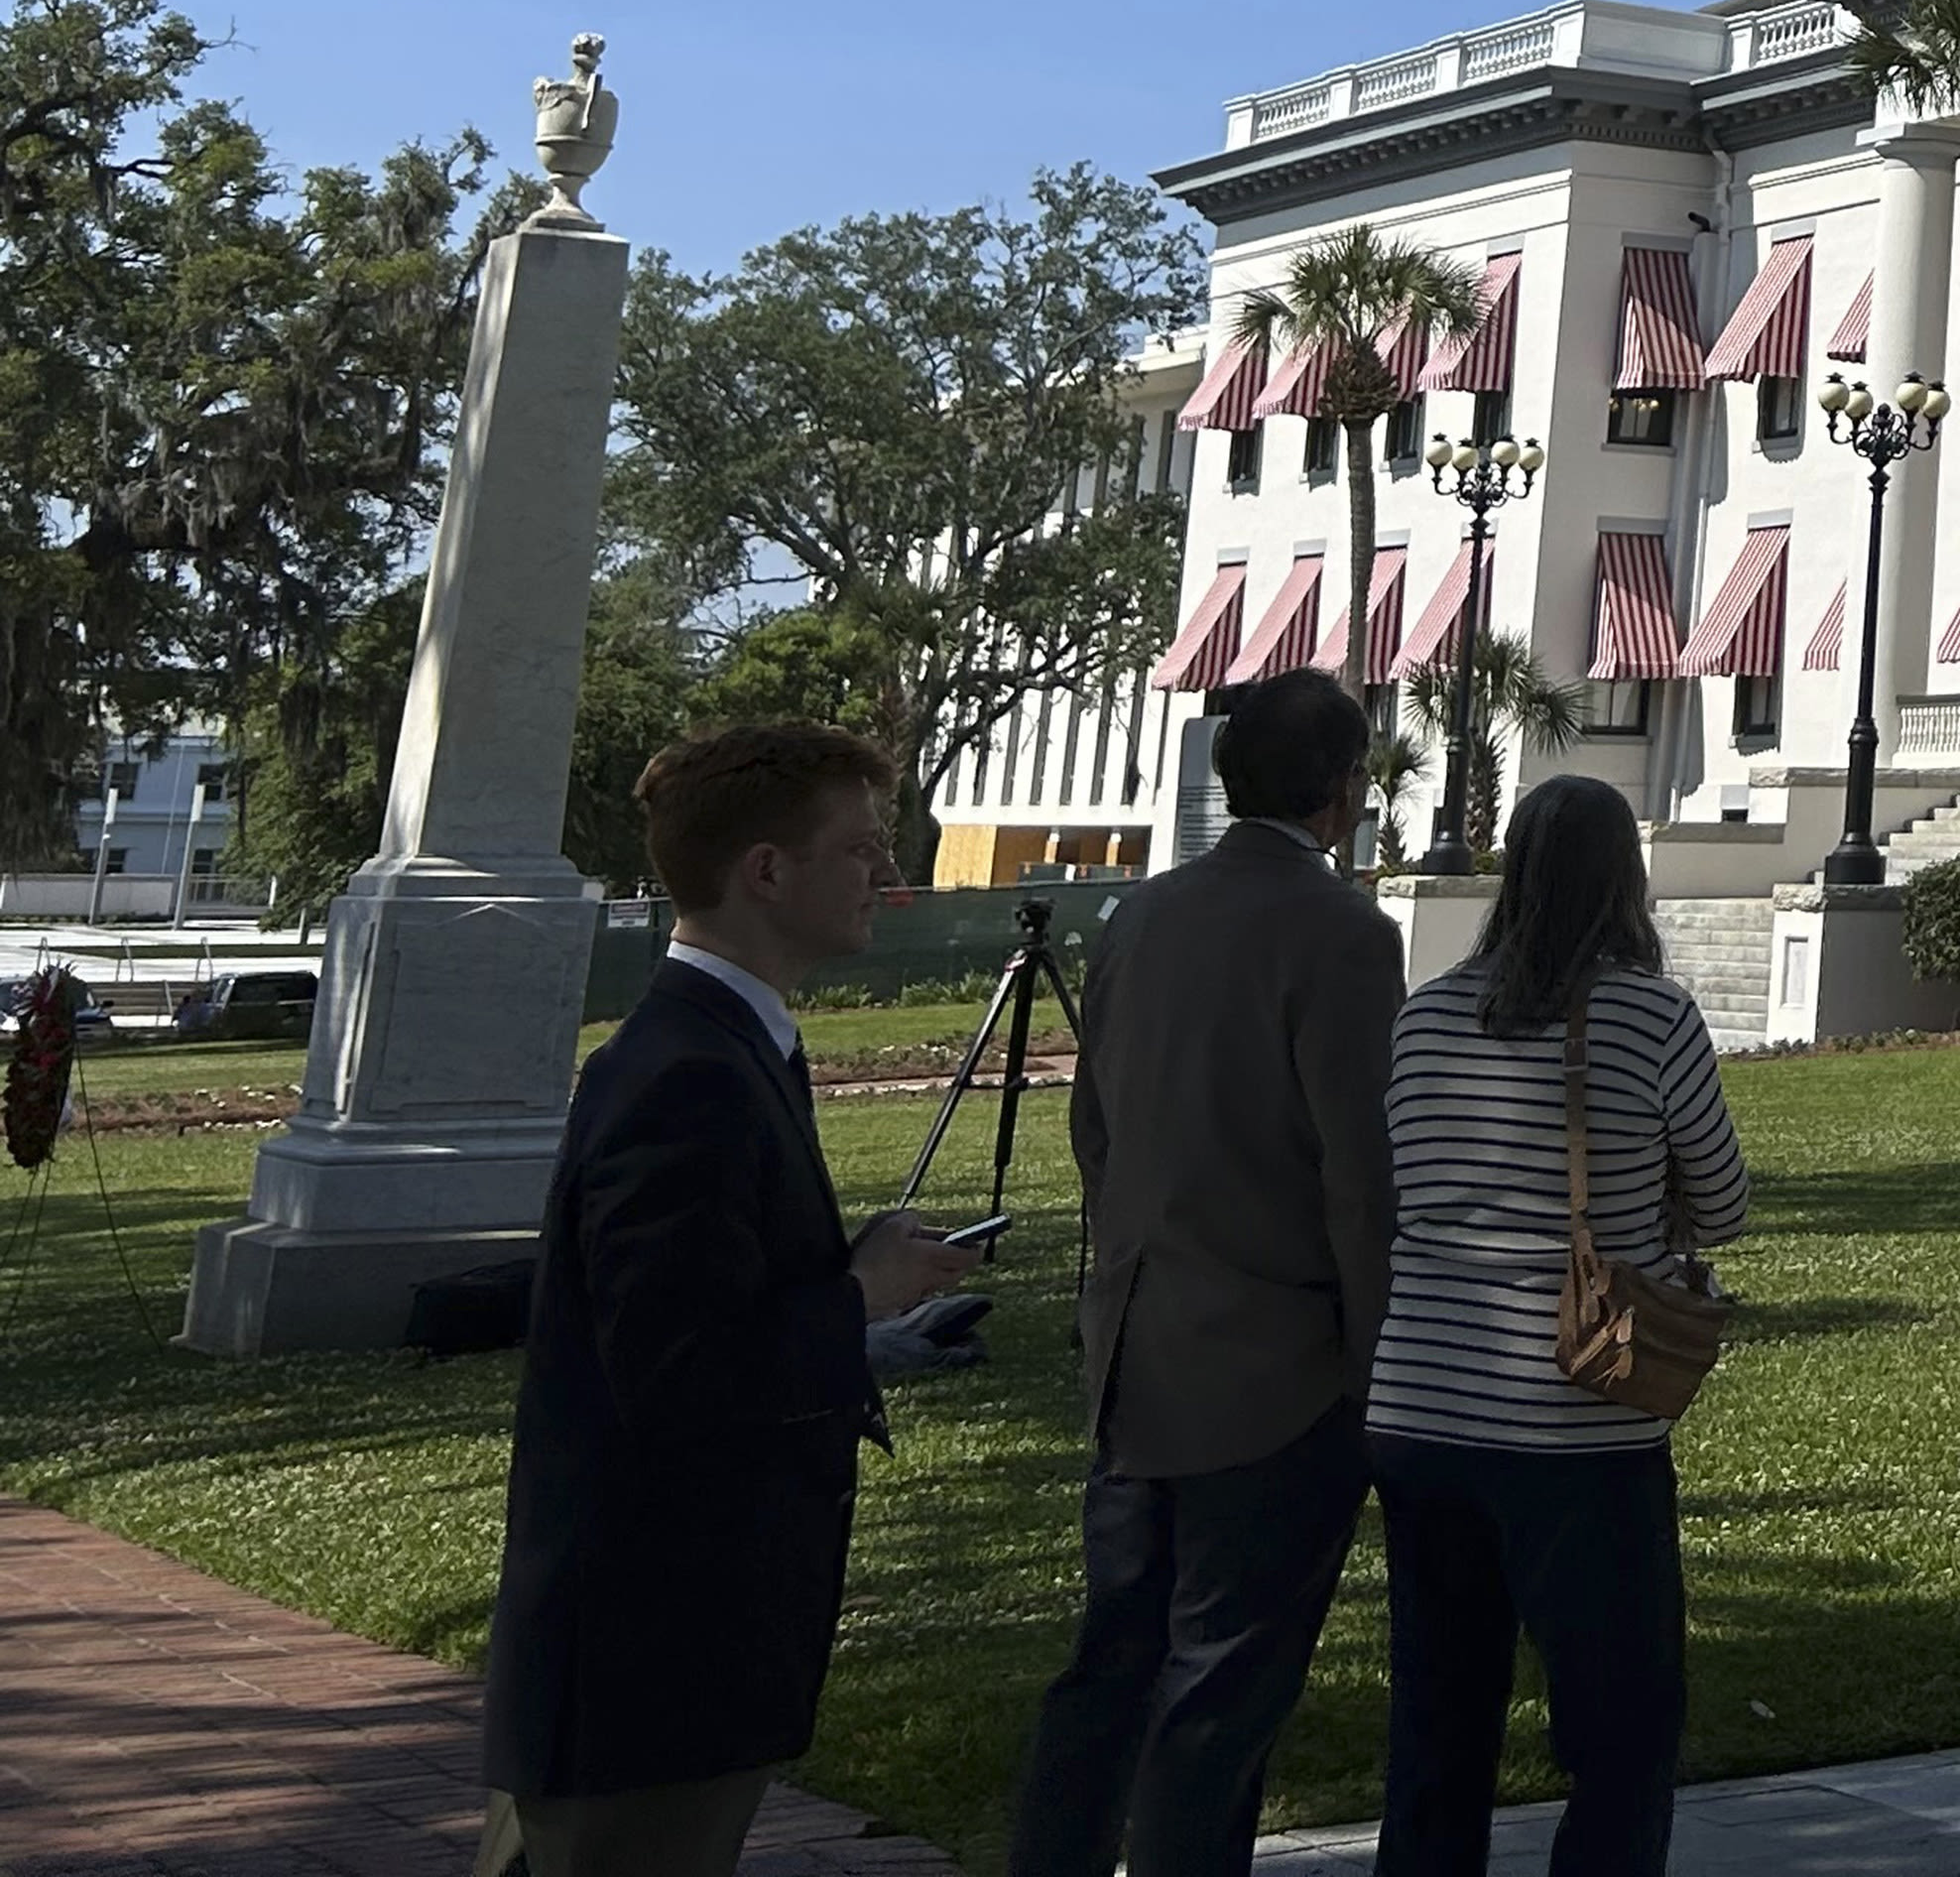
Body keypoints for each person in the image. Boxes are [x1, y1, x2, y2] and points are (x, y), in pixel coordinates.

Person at [481, 722, 960, 1877]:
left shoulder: (725, 1047)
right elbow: (678, 1370)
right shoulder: (688, 1073)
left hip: (685, 1651)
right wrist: (858, 1294)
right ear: (766, 870)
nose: (885, 876)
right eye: (859, 848)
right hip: (650, 1661)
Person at [1009, 665, 1401, 1877]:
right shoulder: (1344, 933)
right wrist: (1374, 1363)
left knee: (1112, 1664)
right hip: (1277, 1368)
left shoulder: (1145, 916)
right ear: (1345, 790)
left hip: (1138, 1345)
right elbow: (1361, 1171)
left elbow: (1094, 1129)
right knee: (1220, 1694)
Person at [1368, 774, 1747, 1877]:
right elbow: (1723, 1201)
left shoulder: (1428, 1010)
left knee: (1438, 1719)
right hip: (1577, 1414)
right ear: (1625, 877)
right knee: (1621, 1727)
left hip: (1422, 1399)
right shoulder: (1649, 1012)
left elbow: (1404, 1178)